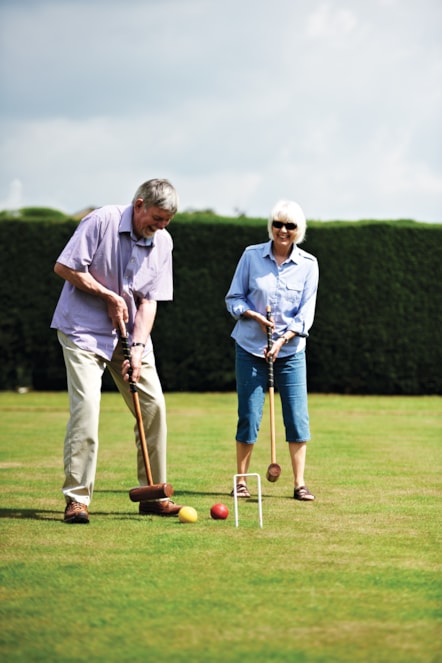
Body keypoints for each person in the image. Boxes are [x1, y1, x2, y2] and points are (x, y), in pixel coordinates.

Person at [51, 178, 182, 523]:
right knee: (87, 410)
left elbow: (150, 301)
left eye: (166, 222)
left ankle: (153, 495)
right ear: (139, 205)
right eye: (156, 219)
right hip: (83, 332)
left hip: (129, 336)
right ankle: (77, 499)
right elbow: (65, 266)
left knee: (153, 406)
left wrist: (137, 351)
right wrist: (107, 296)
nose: (160, 227)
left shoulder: (163, 243)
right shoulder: (101, 221)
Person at [225, 199, 319, 501]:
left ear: (298, 231)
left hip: (290, 352)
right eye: (278, 224)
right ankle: (241, 481)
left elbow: (306, 314)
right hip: (250, 347)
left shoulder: (309, 265)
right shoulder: (251, 256)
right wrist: (251, 314)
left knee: (297, 417)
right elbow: (233, 298)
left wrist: (281, 340)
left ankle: (299, 483)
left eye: (290, 226)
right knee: (249, 416)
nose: (283, 230)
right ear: (271, 226)